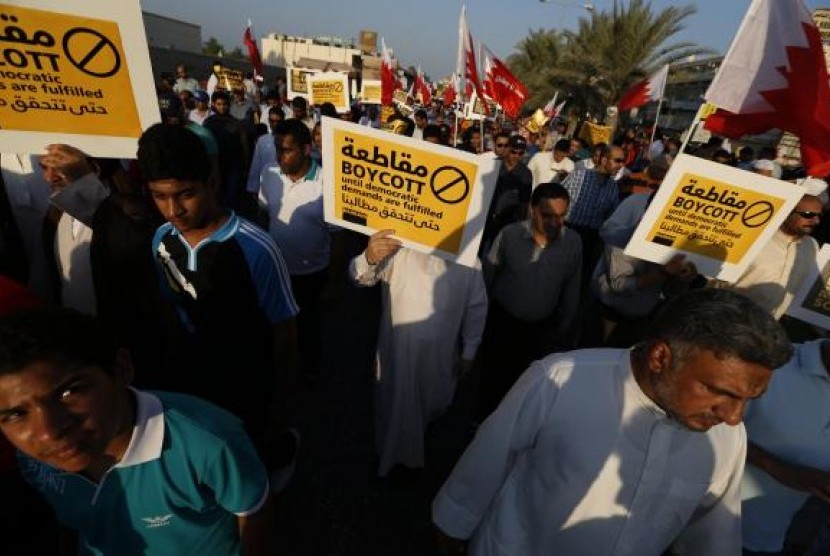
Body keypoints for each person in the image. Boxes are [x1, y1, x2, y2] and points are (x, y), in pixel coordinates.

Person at [433, 288, 793, 556]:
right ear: (660, 357)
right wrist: (452, 529)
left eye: (749, 399)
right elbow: (489, 458)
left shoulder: (728, 436)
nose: (733, 417)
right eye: (720, 391)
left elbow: (714, 532)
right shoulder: (560, 379)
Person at [0, 307, 276, 555]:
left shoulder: (208, 441)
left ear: (121, 369)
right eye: (16, 414)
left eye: (69, 392)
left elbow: (254, 513)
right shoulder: (32, 457)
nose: (48, 432)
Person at [138, 124, 299, 478]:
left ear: (211, 182)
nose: (172, 210)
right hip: (190, 386)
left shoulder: (257, 248)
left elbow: (284, 334)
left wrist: (282, 409)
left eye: (184, 194)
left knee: (249, 469)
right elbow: (169, 309)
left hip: (246, 389)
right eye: (159, 196)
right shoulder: (161, 239)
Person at [350, 230, 487, 477]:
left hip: (439, 357)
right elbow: (361, 277)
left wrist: (469, 351)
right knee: (393, 406)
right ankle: (388, 461)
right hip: (397, 353)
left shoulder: (470, 260)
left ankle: (418, 460)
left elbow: (476, 308)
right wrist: (370, 256)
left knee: (430, 405)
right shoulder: (399, 250)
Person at [478, 182, 582, 417]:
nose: (556, 223)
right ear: (532, 210)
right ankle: (482, 420)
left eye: (561, 215)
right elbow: (487, 278)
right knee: (493, 377)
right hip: (502, 321)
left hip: (541, 329)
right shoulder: (509, 236)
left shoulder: (573, 242)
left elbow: (572, 286)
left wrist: (565, 325)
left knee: (526, 383)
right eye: (548, 215)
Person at [257, 119, 345, 378]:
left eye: (286, 150)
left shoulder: (328, 182)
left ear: (307, 149)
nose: (279, 156)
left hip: (312, 275)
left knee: (308, 327)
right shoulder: (269, 173)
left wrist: (333, 284)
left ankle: (310, 371)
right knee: (276, 325)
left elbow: (339, 239)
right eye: (277, 149)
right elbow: (263, 214)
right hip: (277, 271)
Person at [741, 339, 830, 555]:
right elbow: (707, 429)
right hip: (690, 526)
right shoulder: (772, 361)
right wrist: (779, 469)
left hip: (765, 540)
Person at [716, 181, 824, 320]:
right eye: (808, 214)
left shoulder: (812, 246)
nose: (816, 221)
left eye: (819, 215)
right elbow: (714, 280)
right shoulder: (752, 238)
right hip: (726, 321)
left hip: (770, 329)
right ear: (786, 212)